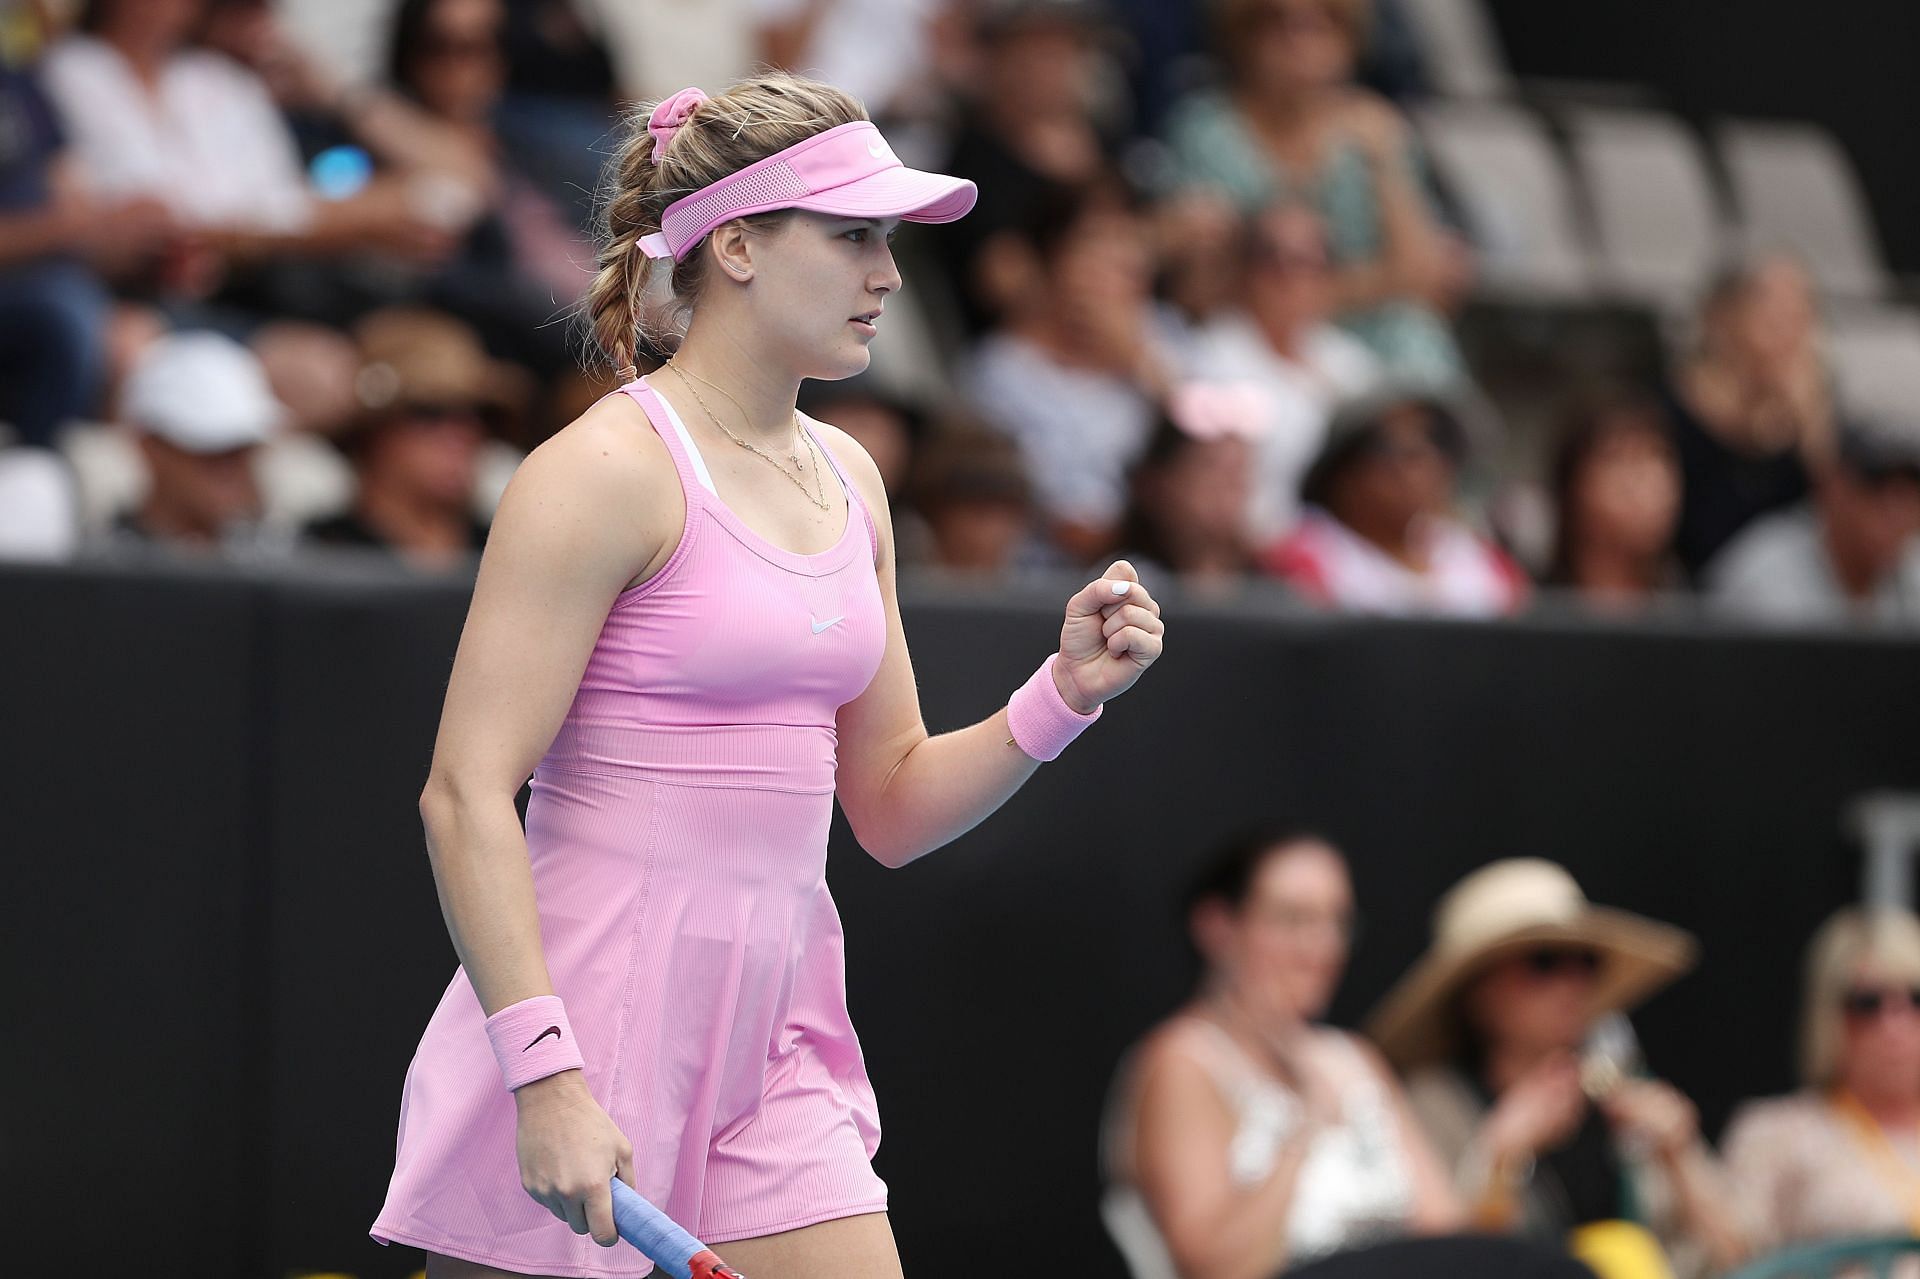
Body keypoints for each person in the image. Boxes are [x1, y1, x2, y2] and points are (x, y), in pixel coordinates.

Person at [369, 72, 1166, 1279]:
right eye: (852, 236)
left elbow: (890, 803)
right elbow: (464, 795)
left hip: (779, 1047)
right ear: (734, 244)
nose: (888, 274)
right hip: (584, 1040)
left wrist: (1059, 697)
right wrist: (545, 1077)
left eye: (887, 241)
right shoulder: (599, 473)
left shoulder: (852, 475)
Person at [1101, 828, 1461, 1279]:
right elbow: (1216, 1269)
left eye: (1338, 923)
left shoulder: (1351, 1058)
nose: (1323, 948)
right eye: (1294, 920)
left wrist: (1504, 1152)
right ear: (1218, 926)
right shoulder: (1184, 1061)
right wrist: (1304, 1122)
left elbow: (1448, 1237)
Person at [1368, 859, 1746, 1279]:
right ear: (1477, 992)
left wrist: (1681, 1158)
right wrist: (1501, 1158)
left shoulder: (1624, 1094)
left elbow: (1741, 1258)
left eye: (1586, 961)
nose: (1573, 982)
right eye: (1544, 962)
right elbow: (1437, 1266)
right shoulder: (1433, 1106)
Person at [1161, 0, 1469, 388]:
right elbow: (1198, 289)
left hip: (1364, 328)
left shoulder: (1377, 128)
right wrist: (1375, 281)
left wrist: (1301, 297)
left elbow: (1425, 278)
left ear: (1349, 38)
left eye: (1321, 23)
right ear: (1244, 35)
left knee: (1416, 335)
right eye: (1277, 21)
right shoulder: (1204, 131)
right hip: (1247, 332)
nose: (1298, 39)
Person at [963, 180, 1168, 562]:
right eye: (1095, 249)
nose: (1114, 271)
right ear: (1051, 261)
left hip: (1163, 577)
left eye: (1126, 252)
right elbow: (1073, 530)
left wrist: (1143, 366)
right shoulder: (1004, 370)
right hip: (1045, 582)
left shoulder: (1163, 343)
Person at [1178, 202, 1383, 542]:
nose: (1289, 276)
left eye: (1307, 261)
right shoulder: (1213, 357)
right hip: (1257, 556)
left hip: (1342, 555)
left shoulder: (1351, 362)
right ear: (1245, 270)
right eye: (1271, 259)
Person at [1723, 907, 1920, 1258]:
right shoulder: (1778, 1132)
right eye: (1867, 1003)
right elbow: (1732, 1256)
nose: (1896, 1023)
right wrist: (1677, 1155)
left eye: (1916, 999)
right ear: (1827, 1015)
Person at [1262, 391, 1526, 616]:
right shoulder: (1305, 560)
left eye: (1438, 444)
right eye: (1395, 450)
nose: (1426, 463)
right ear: (1341, 474)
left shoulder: (1483, 563)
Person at [302, 307, 523, 571]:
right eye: (430, 413)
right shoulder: (318, 556)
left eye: (480, 413)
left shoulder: (511, 554)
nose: (464, 432)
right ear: (370, 433)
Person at [1666, 254, 1835, 578]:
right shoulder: (1668, 417)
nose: (1788, 338)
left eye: (1801, 320)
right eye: (1773, 319)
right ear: (1721, 319)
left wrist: (1814, 432)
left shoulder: (1812, 422)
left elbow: (1837, 529)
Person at [94, 328, 291, 560]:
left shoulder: (281, 554)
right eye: (213, 451)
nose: (237, 468)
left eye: (247, 449)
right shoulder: (109, 560)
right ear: (150, 447)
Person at [1705, 420, 1920, 626]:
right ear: (1834, 487)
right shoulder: (1764, 579)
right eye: (1877, 488)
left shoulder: (1910, 575)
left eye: (1910, 496)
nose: (1897, 512)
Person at [1543, 394, 1683, 611]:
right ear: (1574, 485)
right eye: (1622, 458)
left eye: (1659, 456)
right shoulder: (1528, 604)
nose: (1651, 481)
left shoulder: (1689, 608)